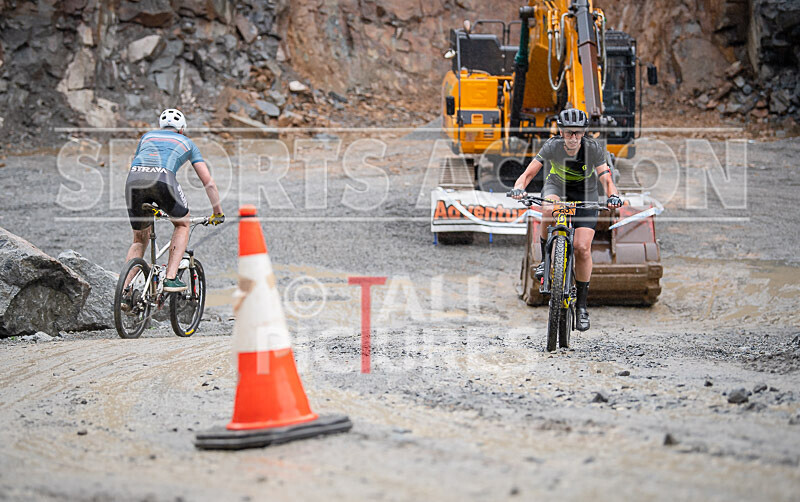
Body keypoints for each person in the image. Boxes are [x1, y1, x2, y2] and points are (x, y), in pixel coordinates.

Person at [510, 108, 622, 331]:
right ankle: (545, 261)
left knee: (582, 248)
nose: (573, 137)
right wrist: (518, 187)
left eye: (578, 133)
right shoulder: (552, 146)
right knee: (548, 209)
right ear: (561, 131)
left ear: (584, 133)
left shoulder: (592, 148)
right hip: (557, 187)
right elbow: (529, 173)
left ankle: (581, 307)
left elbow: (606, 178)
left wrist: (613, 195)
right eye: (569, 132)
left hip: (586, 193)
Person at [124, 108, 224, 292]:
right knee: (182, 224)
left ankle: (124, 291)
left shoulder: (146, 137)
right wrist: (217, 212)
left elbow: (136, 164)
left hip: (133, 181)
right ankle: (170, 278)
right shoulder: (187, 142)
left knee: (139, 240)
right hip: (163, 180)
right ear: (181, 129)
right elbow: (208, 183)